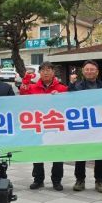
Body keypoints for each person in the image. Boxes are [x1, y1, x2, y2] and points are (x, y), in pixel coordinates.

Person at [19, 61, 68, 191]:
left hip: (55, 126)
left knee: (58, 154)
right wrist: (26, 79)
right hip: (38, 125)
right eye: (43, 70)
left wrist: (60, 98)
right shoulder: (32, 87)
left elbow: (68, 104)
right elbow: (22, 94)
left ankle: (57, 181)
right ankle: (38, 180)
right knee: (37, 153)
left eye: (48, 70)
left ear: (53, 72)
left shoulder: (62, 88)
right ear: (39, 73)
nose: (46, 72)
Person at [69, 60, 102, 193]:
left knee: (100, 154)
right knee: (81, 153)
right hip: (82, 125)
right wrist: (71, 84)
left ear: (97, 72)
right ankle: (80, 180)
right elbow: (68, 100)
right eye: (87, 69)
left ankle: (100, 180)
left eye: (92, 69)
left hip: (99, 126)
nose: (89, 71)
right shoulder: (77, 86)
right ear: (83, 71)